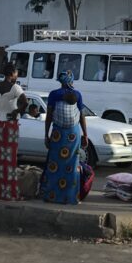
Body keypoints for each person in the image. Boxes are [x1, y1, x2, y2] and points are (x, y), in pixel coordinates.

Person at [42, 71, 88, 204]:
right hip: (73, 134)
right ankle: (71, 197)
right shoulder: (77, 95)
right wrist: (85, 134)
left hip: (58, 134)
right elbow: (82, 116)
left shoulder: (54, 94)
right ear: (71, 81)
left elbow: (49, 117)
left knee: (55, 164)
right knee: (72, 165)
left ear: (60, 81)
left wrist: (46, 135)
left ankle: (52, 196)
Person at [0, 63, 27, 201]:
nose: (17, 76)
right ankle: (9, 192)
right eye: (16, 73)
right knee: (10, 159)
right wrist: (16, 111)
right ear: (12, 74)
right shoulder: (15, 87)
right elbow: (25, 102)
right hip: (10, 125)